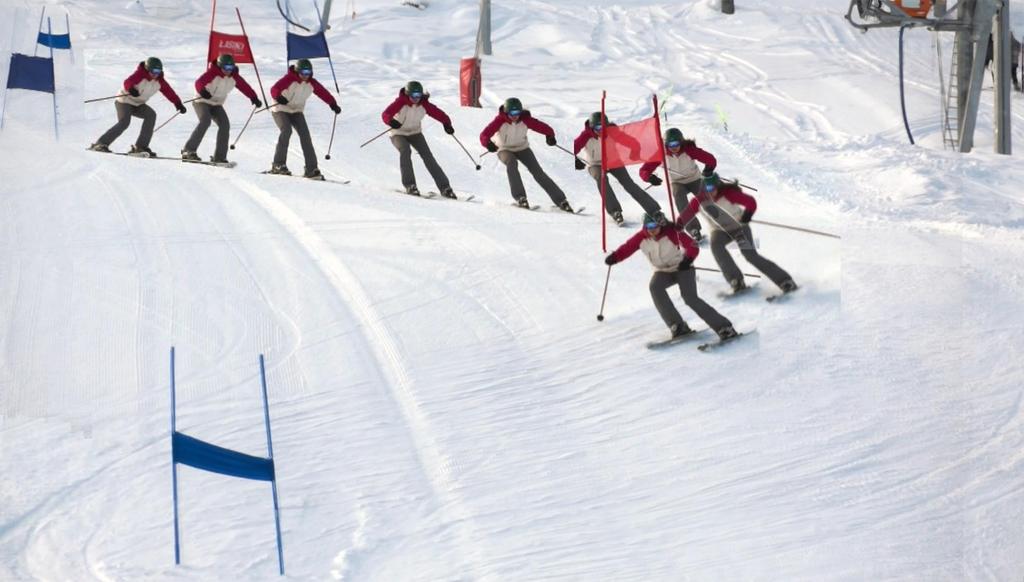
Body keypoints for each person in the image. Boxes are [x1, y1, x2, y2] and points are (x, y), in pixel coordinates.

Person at [604, 213, 737, 341]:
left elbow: (693, 246)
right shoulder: (641, 237)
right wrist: (615, 257)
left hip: (683, 269)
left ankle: (724, 327)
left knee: (690, 298)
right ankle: (678, 326)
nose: (652, 230)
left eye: (655, 227)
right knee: (655, 287)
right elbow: (627, 248)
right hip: (663, 272)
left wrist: (687, 260)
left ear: (660, 225)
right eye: (649, 227)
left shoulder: (672, 232)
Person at [676, 172, 797, 295]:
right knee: (716, 247)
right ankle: (736, 281)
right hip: (720, 231)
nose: (709, 192)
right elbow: (687, 214)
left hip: (739, 227)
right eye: (706, 189)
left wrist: (746, 216)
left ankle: (785, 281)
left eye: (712, 188)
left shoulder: (729, 194)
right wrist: (678, 224)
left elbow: (751, 202)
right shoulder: (698, 201)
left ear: (718, 186)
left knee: (750, 255)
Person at [573, 112, 668, 226]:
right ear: (592, 127)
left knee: (629, 184)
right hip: (595, 164)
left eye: (604, 127)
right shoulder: (586, 135)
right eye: (598, 127)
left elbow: (631, 142)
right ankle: (615, 211)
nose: (601, 130)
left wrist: (635, 151)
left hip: (613, 161)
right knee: (601, 178)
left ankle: (654, 211)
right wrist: (576, 160)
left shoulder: (613, 132)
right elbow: (574, 146)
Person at [480, 97, 573, 212]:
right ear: (506, 112)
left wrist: (550, 136)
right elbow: (484, 135)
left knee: (538, 172)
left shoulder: (525, 120)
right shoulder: (499, 121)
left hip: (522, 148)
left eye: (517, 112)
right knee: (511, 163)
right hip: (504, 149)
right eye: (512, 113)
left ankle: (561, 200)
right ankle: (520, 197)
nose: (515, 116)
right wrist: (488, 144)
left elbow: (544, 127)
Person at [89, 57, 186, 157]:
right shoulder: (140, 74)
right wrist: (131, 89)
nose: (155, 74)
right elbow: (128, 82)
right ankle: (100, 144)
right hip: (124, 102)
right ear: (148, 69)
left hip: (138, 104)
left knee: (151, 115)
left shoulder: (159, 81)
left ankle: (140, 147)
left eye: (158, 71)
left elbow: (169, 92)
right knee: (124, 123)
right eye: (153, 71)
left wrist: (178, 103)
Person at [381, 81, 457, 198]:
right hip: (398, 133)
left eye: (418, 95)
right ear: (407, 94)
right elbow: (386, 114)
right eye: (413, 96)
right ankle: (410, 185)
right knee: (405, 150)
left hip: (415, 133)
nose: (416, 99)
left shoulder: (424, 104)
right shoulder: (400, 102)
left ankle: (445, 188)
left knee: (428, 156)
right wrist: (391, 121)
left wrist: (447, 123)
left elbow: (439, 113)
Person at [639, 127, 717, 241]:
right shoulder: (661, 153)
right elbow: (644, 170)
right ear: (666, 145)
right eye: (670, 144)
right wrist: (649, 178)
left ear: (681, 142)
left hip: (694, 179)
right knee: (679, 196)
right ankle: (693, 229)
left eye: (676, 143)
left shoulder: (689, 150)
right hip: (677, 182)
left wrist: (709, 169)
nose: (674, 147)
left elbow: (710, 159)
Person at [181, 54, 262, 163]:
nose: (228, 71)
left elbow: (245, 87)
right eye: (226, 68)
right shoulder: (212, 73)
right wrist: (202, 91)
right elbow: (199, 83)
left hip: (217, 104)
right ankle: (188, 150)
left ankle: (219, 157)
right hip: (201, 101)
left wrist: (254, 97)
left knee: (225, 125)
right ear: (220, 66)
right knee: (205, 121)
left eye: (231, 68)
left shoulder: (234, 77)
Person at [268, 58, 340, 179]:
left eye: (308, 73)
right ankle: (278, 164)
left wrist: (332, 104)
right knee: (286, 130)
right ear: (297, 71)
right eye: (303, 73)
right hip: (280, 109)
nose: (306, 76)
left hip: (296, 111)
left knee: (305, 135)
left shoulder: (312, 83)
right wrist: (278, 97)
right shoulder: (289, 79)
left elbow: (323, 93)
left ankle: (311, 169)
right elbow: (274, 89)